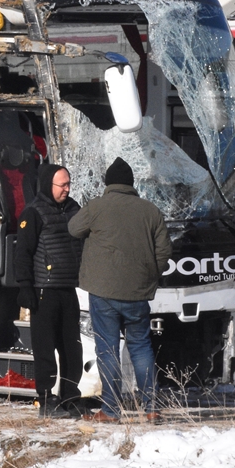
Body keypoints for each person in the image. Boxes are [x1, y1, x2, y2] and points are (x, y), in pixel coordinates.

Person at [68, 157, 171, 423]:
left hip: (103, 292)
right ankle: (151, 408)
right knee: (141, 348)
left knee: (108, 350)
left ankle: (112, 411)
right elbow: (164, 251)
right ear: (131, 183)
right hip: (138, 293)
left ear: (107, 183)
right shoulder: (150, 210)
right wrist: (150, 275)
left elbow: (73, 228)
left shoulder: (97, 207)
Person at [13, 164, 84, 418]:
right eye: (61, 185)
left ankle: (70, 396)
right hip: (44, 290)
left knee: (72, 347)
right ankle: (45, 398)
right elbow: (23, 253)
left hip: (68, 288)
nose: (66, 189)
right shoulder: (33, 213)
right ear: (48, 185)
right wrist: (25, 286)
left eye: (68, 184)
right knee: (45, 348)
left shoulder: (74, 208)